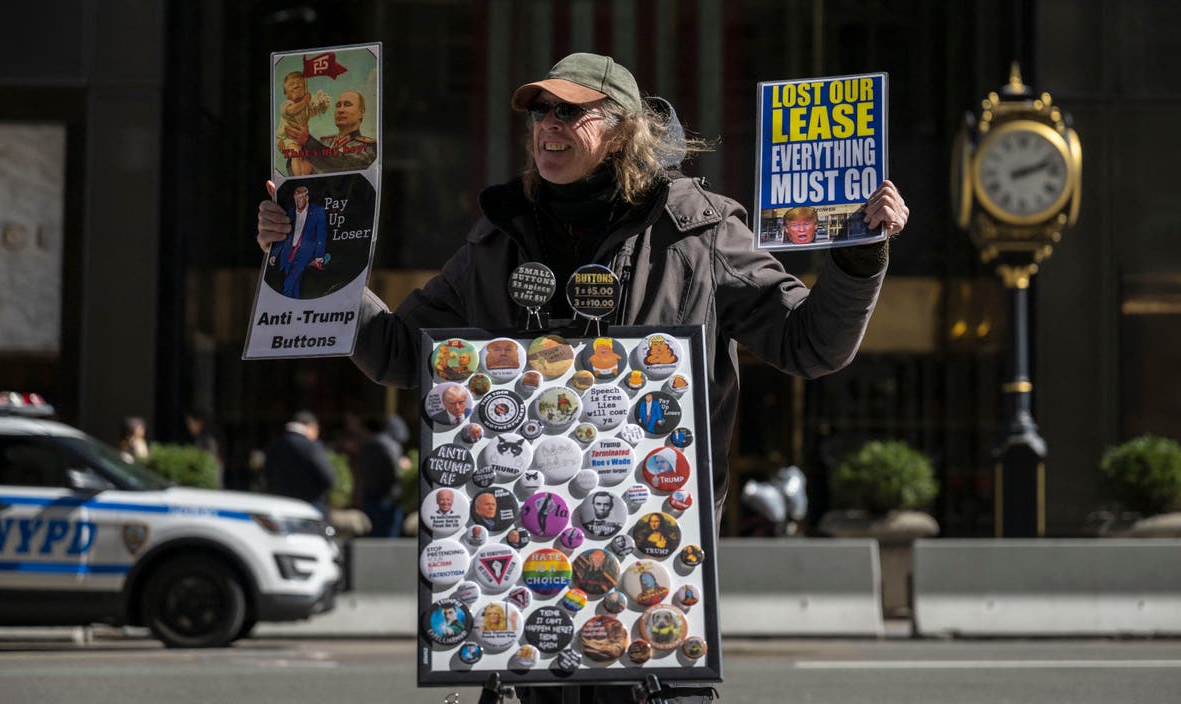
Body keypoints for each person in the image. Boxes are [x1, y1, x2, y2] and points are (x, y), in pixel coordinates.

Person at [258, 52, 908, 703]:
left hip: (650, 591)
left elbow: (811, 345)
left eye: (570, 111)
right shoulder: (498, 240)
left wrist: (858, 255)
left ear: (624, 128)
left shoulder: (700, 234)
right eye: (540, 111)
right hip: (522, 593)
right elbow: (397, 352)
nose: (548, 125)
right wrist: (317, 259)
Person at [281, 90, 377, 173]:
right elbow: (300, 174)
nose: (340, 110)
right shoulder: (324, 142)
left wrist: (307, 142)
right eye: (338, 105)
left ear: (361, 112)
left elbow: (342, 165)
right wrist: (294, 152)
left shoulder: (369, 147)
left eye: (347, 105)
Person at [264, 410, 336, 517]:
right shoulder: (311, 446)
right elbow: (329, 478)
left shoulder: (275, 445)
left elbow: (267, 475)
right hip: (310, 508)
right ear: (311, 427)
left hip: (282, 507)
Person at [356, 414, 411, 537]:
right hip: (388, 497)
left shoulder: (371, 442)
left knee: (372, 534)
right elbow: (395, 470)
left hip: (370, 493)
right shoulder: (391, 445)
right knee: (388, 536)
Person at [268, 185, 327, 298]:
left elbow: (321, 235)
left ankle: (286, 308)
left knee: (288, 283)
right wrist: (275, 253)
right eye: (296, 199)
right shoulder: (290, 212)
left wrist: (319, 256)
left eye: (301, 198)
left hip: (304, 254)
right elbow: (284, 234)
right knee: (295, 284)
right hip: (289, 254)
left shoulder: (317, 212)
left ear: (307, 198)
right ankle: (295, 311)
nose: (298, 202)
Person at [276, 71, 331, 177]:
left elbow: (309, 114)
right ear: (286, 94)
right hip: (286, 138)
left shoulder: (304, 108)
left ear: (306, 90)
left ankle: (304, 175)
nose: (296, 85)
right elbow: (292, 111)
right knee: (296, 152)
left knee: (306, 156)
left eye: (300, 84)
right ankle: (298, 177)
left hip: (301, 140)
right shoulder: (287, 104)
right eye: (292, 84)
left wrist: (319, 105)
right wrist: (305, 101)